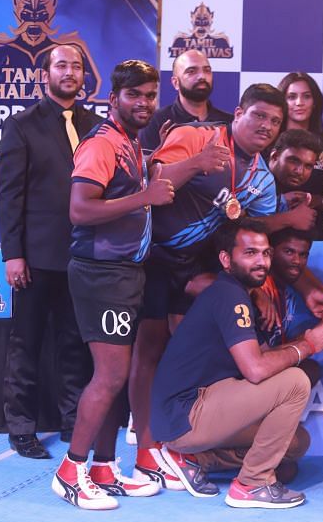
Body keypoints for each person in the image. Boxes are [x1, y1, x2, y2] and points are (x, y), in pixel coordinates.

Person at [128, 83, 302, 489]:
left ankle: (180, 443)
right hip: (152, 255)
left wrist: (258, 288)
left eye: (275, 121)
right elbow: (151, 184)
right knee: (148, 346)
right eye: (259, 115)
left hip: (196, 265)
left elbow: (250, 235)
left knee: (189, 346)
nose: (267, 126)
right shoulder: (196, 136)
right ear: (237, 112)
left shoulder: (261, 178)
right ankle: (145, 443)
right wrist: (198, 163)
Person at [150, 217, 323, 508]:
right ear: (226, 259)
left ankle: (194, 459)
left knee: (296, 443)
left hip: (199, 410)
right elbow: (257, 369)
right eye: (250, 253)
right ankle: (251, 484)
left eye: (265, 253)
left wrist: (321, 335)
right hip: (185, 414)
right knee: (296, 382)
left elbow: (268, 358)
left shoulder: (242, 296)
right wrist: (310, 345)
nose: (261, 261)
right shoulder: (228, 296)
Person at [52, 60, 173, 510]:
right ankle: (70, 471)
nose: (144, 103)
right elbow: (80, 210)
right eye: (134, 95)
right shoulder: (102, 142)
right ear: (113, 99)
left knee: (117, 377)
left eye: (149, 95)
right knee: (109, 375)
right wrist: (145, 197)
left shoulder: (131, 143)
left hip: (124, 272)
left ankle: (103, 467)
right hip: (101, 272)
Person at [0, 44, 100, 459]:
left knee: (76, 343)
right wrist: (13, 254)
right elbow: (8, 196)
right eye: (61, 65)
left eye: (76, 65)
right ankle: (21, 427)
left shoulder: (96, 126)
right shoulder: (22, 125)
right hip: (36, 258)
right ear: (46, 75)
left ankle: (76, 422)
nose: (70, 72)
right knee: (27, 343)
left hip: (86, 256)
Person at [278, 72, 323, 240]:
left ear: (315, 103)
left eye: (306, 96)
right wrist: (279, 201)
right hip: (273, 235)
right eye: (291, 97)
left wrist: (316, 200)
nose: (299, 103)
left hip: (315, 237)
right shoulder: (269, 142)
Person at [139, 49, 233, 152]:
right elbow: (146, 166)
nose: (202, 76)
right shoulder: (156, 121)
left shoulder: (229, 122)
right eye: (191, 71)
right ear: (175, 83)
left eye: (207, 70)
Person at [266, 129, 322, 237]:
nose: (300, 171)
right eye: (293, 161)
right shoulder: (252, 176)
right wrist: (281, 206)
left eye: (308, 166)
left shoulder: (303, 188)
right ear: (275, 156)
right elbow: (235, 226)